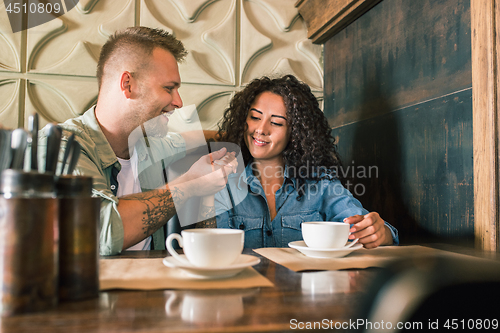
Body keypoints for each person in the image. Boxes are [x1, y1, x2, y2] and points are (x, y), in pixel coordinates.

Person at [38, 27, 236, 255]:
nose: (179, 102)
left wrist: (244, 134)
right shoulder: (60, 148)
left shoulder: (149, 146)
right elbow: (103, 230)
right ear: (127, 84)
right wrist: (191, 184)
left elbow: (190, 139)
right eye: (169, 88)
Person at [212, 75, 399, 248]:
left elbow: (360, 225)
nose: (261, 129)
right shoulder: (222, 182)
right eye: (254, 117)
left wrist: (379, 232)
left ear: (295, 133)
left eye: (276, 122)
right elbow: (212, 250)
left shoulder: (320, 183)